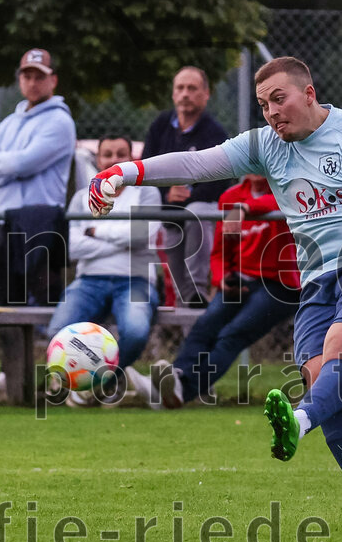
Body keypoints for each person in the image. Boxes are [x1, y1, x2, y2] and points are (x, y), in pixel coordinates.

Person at [90, 56, 342, 533]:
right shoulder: (266, 144)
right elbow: (196, 163)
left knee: (340, 351)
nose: (271, 113)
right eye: (264, 104)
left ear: (309, 94)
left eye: (279, 99)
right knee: (323, 382)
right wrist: (125, 171)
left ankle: (299, 422)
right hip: (316, 279)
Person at [127, 174, 300, 408]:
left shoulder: (286, 188)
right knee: (204, 327)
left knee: (232, 335)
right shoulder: (230, 196)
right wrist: (222, 278)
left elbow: (282, 201)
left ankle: (179, 390)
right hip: (240, 280)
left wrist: (243, 208)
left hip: (282, 285)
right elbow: (220, 251)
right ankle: (174, 380)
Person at [45, 135, 161, 408]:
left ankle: (101, 384)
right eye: (107, 154)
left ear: (131, 159)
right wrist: (122, 239)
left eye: (121, 154)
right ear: (98, 160)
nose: (114, 160)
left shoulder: (147, 192)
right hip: (89, 281)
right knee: (57, 331)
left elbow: (141, 236)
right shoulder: (81, 197)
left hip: (135, 280)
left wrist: (95, 231)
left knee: (135, 332)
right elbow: (73, 247)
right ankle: (85, 384)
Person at [0, 48, 76, 306]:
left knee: (45, 300)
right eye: (27, 76)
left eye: (39, 77)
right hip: (5, 221)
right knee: (7, 302)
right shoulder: (8, 123)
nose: (32, 83)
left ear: (53, 80)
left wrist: (7, 164)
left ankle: (54, 336)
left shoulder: (60, 121)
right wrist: (12, 167)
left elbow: (22, 164)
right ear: (19, 80)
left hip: (42, 222)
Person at [143, 67, 231, 307]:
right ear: (173, 94)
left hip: (199, 211)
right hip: (169, 212)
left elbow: (221, 180)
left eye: (192, 88)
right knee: (182, 291)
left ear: (206, 94)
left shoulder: (215, 133)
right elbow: (146, 167)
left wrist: (188, 197)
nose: (185, 94)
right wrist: (167, 192)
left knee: (196, 213)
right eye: (180, 88)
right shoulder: (160, 126)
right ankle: (189, 308)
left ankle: (198, 287)